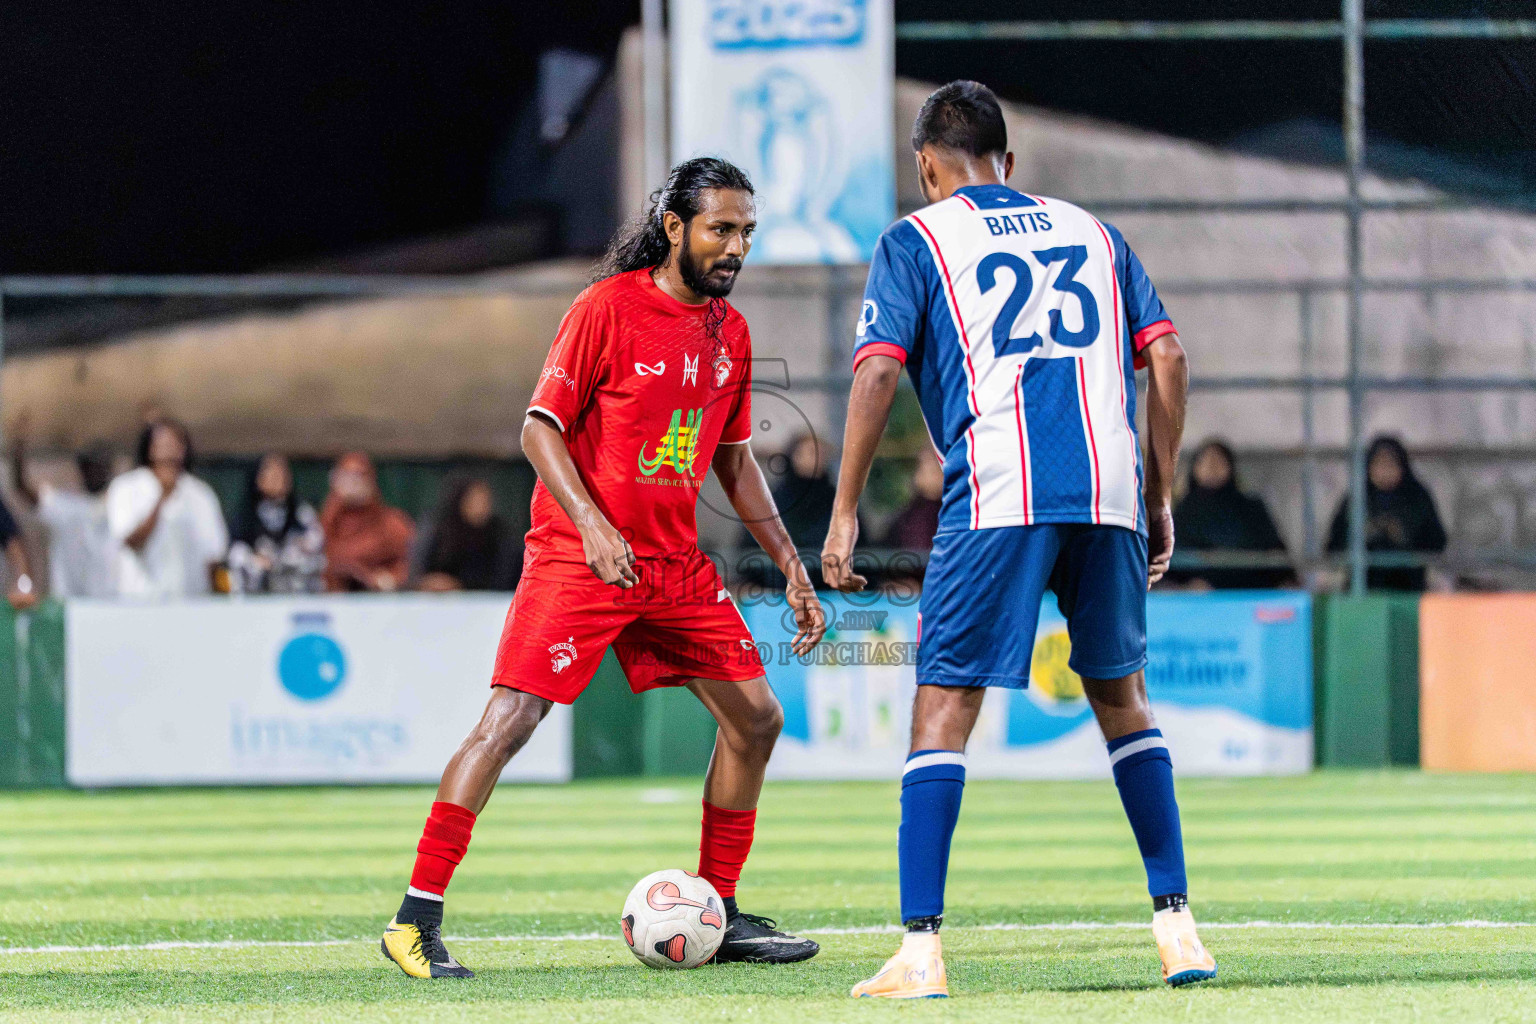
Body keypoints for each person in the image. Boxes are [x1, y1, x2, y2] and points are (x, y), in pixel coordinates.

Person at [379, 157, 828, 980]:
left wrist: (793, 569)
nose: (735, 248)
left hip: (673, 565)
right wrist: (589, 525)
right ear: (674, 229)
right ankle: (414, 920)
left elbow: (735, 463)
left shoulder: (730, 331)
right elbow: (538, 429)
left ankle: (718, 912)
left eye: (747, 233)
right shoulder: (606, 309)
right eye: (721, 230)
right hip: (579, 559)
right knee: (508, 724)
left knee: (757, 720)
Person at [822, 82, 1215, 998]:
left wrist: (845, 509)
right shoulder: (1094, 232)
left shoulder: (914, 240)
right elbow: (1170, 358)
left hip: (1000, 490)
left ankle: (921, 952)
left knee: (943, 710)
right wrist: (1158, 492)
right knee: (1123, 697)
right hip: (1109, 490)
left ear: (927, 166)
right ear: (1012, 158)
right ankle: (1179, 929)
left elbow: (879, 368)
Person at [106, 418, 228, 599]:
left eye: (176, 444)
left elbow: (214, 554)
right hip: (140, 603)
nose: (170, 451)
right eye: (163, 444)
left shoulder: (200, 494)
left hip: (192, 604)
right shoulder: (126, 488)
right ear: (149, 448)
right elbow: (130, 541)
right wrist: (161, 498)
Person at [1167, 440, 1293, 589]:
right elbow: (1169, 561)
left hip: (1250, 592)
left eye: (1219, 461)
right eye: (1205, 462)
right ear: (1195, 469)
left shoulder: (1251, 509)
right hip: (1198, 598)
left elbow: (1274, 552)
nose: (1212, 467)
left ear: (1230, 467)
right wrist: (1188, 584)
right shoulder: (1183, 513)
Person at [1327, 435, 1447, 591]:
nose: (1385, 471)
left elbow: (1436, 542)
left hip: (1408, 587)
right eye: (1379, 464)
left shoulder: (1417, 497)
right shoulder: (1357, 498)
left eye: (1390, 464)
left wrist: (1401, 535)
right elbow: (1334, 545)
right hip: (1363, 589)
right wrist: (1364, 534)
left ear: (1402, 467)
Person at [11, 427, 113, 600]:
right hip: (67, 604)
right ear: (81, 471)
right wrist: (18, 452)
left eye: (100, 467)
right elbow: (24, 488)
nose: (95, 472)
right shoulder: (64, 506)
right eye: (90, 467)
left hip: (108, 604)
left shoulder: (121, 504)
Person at [228, 453, 324, 594]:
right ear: (257, 478)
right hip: (256, 599)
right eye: (270, 471)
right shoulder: (246, 517)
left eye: (282, 471)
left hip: (295, 595)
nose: (277, 476)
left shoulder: (303, 515)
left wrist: (280, 561)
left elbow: (316, 552)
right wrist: (255, 561)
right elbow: (235, 556)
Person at [319, 452, 414, 592]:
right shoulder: (323, 523)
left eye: (359, 476)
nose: (353, 483)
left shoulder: (392, 523)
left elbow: (411, 562)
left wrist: (387, 579)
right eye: (346, 476)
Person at [415, 476, 520, 592]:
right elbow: (419, 573)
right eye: (474, 500)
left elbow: (504, 578)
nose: (480, 507)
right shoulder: (441, 531)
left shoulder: (501, 535)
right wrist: (431, 582)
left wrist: (460, 585)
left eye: (485, 500)